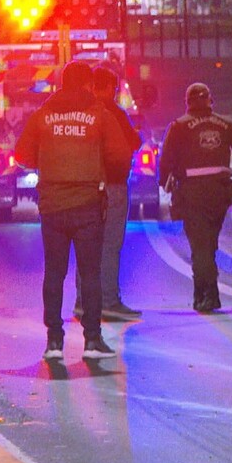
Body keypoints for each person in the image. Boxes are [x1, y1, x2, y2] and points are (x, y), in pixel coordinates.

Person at [15, 61, 132, 360]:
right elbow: (120, 155)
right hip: (88, 205)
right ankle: (92, 340)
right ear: (87, 85)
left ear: (61, 83)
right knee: (90, 273)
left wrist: (51, 160)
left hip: (52, 205)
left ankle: (54, 341)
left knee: (54, 273)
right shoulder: (100, 116)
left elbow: (22, 155)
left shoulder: (43, 115)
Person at [159, 83, 232, 313]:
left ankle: (207, 295)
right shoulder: (224, 124)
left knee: (200, 245)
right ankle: (204, 294)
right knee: (209, 243)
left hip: (192, 193)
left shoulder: (179, 126)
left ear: (188, 102)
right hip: (220, 193)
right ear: (210, 101)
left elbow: (165, 164)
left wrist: (164, 184)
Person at [73, 66, 143, 322]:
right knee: (110, 245)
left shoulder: (80, 114)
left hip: (84, 187)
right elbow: (132, 143)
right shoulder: (113, 112)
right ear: (103, 87)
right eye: (112, 89)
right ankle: (109, 301)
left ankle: (82, 301)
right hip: (112, 187)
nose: (113, 94)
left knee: (87, 245)